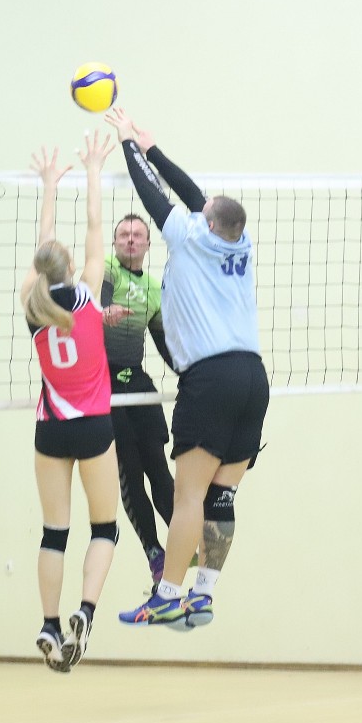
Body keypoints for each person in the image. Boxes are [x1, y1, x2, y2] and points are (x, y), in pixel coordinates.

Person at [105, 107, 270, 629]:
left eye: (203, 212)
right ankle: (203, 594)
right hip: (254, 378)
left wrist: (129, 143)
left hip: (211, 379)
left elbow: (154, 195)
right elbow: (196, 194)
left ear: (209, 223)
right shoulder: (238, 242)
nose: (197, 210)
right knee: (222, 496)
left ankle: (167, 595)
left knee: (190, 495)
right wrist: (155, 147)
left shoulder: (188, 236)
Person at [22, 131, 119, 672]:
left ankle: (49, 623)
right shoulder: (88, 292)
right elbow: (95, 228)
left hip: (51, 428)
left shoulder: (31, 305)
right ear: (69, 267)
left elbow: (45, 247)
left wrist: (48, 187)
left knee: (53, 532)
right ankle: (86, 610)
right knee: (104, 528)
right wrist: (93, 170)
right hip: (94, 426)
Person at [102, 214, 176, 590]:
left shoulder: (153, 288)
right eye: (123, 234)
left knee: (158, 468)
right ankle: (154, 552)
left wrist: (191, 373)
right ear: (115, 242)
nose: (130, 239)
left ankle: (182, 537)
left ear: (147, 244)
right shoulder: (106, 269)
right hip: (105, 386)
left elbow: (163, 343)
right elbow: (98, 301)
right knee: (130, 472)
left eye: (137, 235)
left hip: (137, 383)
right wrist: (104, 312)